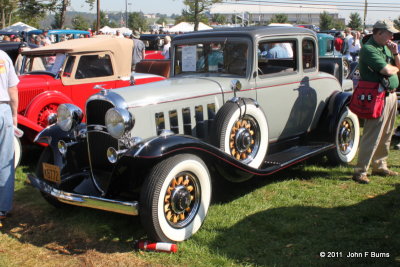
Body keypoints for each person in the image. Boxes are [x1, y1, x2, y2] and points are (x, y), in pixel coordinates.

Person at [352, 19, 400, 184]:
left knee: (387, 132)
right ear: (379, 33)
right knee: (372, 134)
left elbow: (397, 69)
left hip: (390, 94)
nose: (392, 36)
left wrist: (395, 54)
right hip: (377, 96)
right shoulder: (369, 49)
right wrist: (394, 68)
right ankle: (360, 170)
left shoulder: (385, 48)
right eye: (389, 33)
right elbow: (387, 70)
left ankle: (380, 165)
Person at [0, 50, 19, 227]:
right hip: (3, 108)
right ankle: (2, 207)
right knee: (5, 159)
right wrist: (14, 115)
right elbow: (12, 88)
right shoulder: (3, 57)